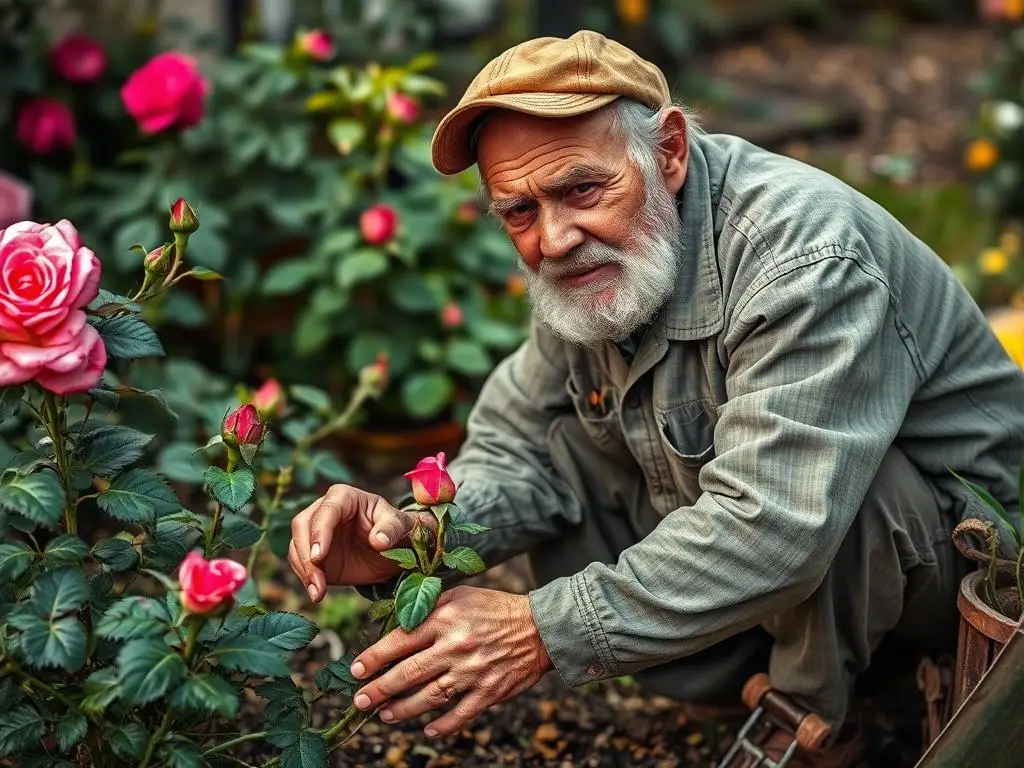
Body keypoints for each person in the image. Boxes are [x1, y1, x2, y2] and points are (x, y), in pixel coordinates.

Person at [288, 30, 1024, 766]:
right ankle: (745, 671)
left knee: (851, 491)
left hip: (965, 577)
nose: (553, 238)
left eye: (581, 189)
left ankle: (810, 720)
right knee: (567, 441)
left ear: (668, 151)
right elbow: (520, 442)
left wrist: (542, 630)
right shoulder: (600, 261)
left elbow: (776, 523)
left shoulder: (803, 260)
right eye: (517, 211)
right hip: (812, 576)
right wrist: (415, 538)